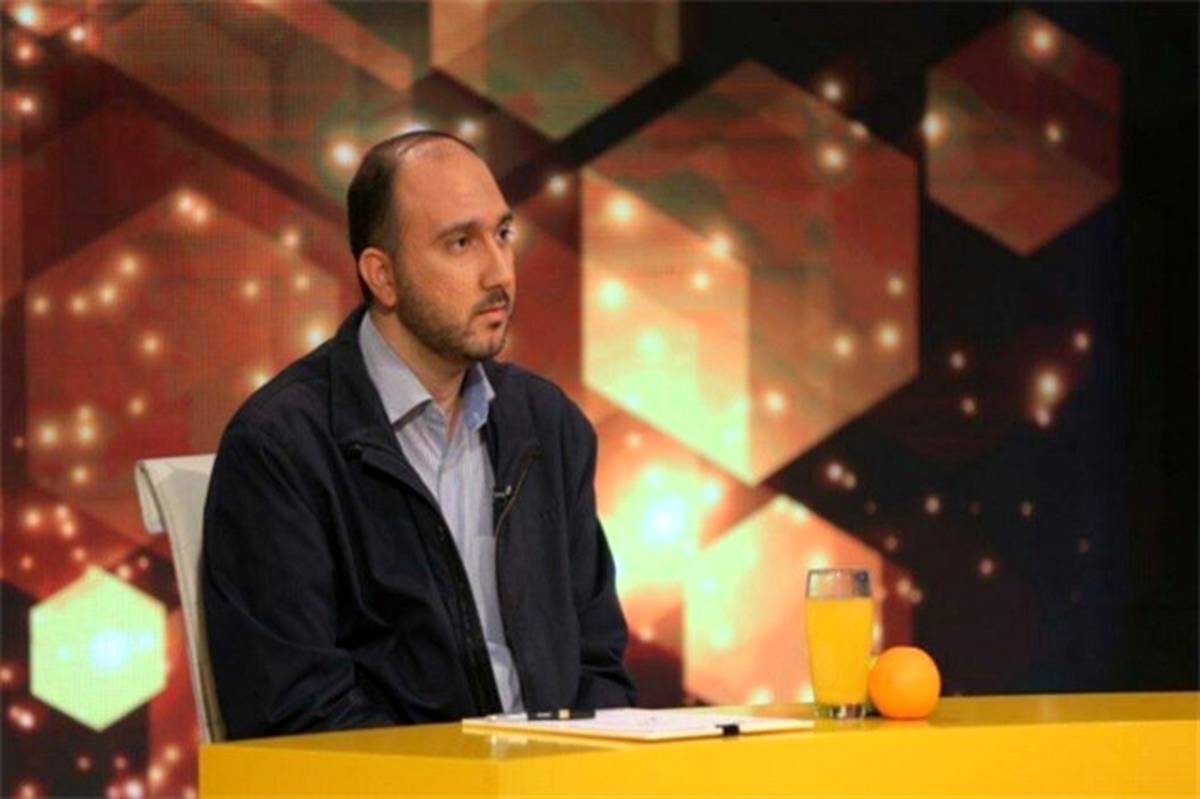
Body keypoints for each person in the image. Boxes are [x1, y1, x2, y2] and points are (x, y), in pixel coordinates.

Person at [202, 131, 636, 739]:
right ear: (383, 276)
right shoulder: (279, 449)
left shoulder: (548, 425)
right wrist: (472, 778)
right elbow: (297, 715)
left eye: (502, 234)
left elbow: (599, 668)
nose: (499, 272)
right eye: (460, 243)